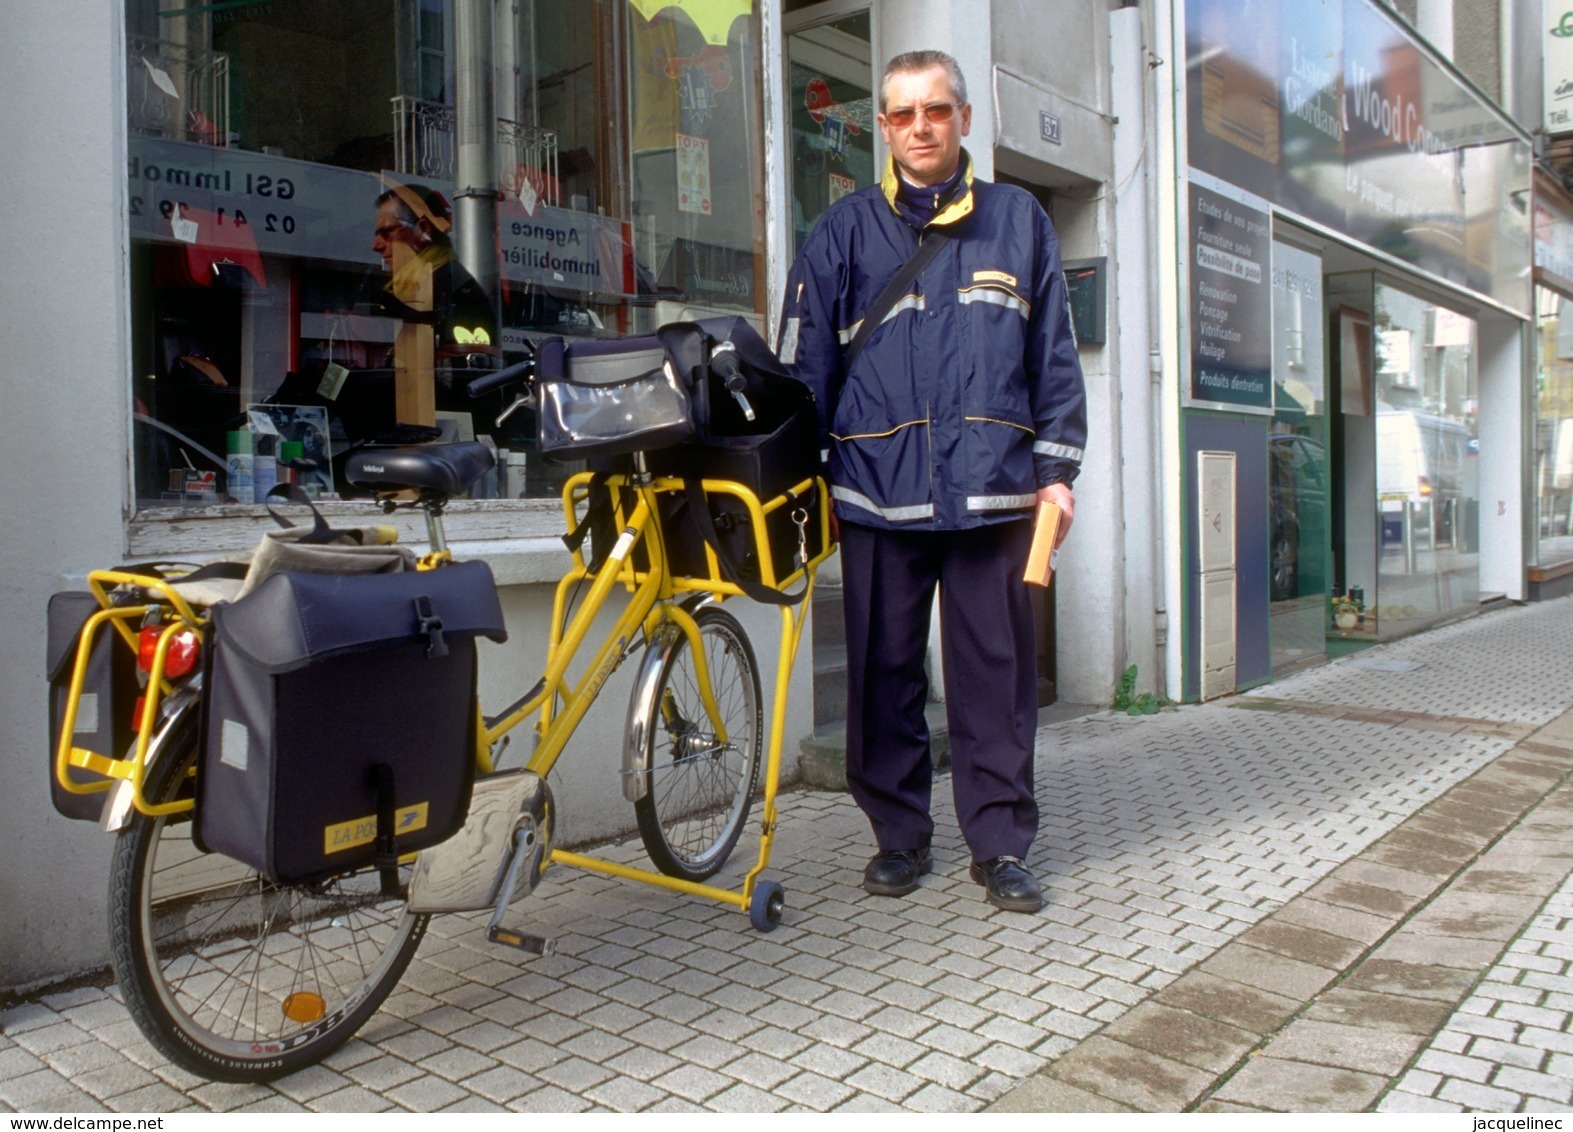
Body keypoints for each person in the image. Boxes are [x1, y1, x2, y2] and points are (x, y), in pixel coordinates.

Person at [778, 50, 1086, 913]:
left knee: (995, 677)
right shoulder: (840, 232)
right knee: (883, 671)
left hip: (993, 492)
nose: (920, 127)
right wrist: (805, 481)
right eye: (903, 113)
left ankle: (999, 844)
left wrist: (1057, 475)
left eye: (936, 111)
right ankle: (898, 837)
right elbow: (807, 372)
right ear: (882, 126)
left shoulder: (1018, 221)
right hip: (877, 491)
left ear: (963, 121)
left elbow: (1051, 356)